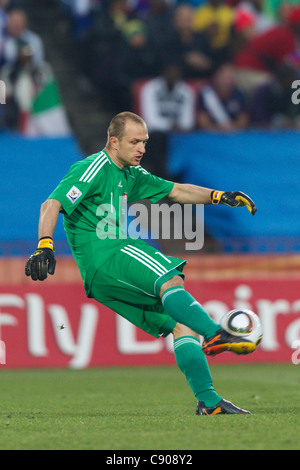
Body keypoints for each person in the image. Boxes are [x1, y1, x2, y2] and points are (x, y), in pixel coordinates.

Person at [25, 111, 257, 416]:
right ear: (113, 141)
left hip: (101, 278)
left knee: (181, 324)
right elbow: (52, 203)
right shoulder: (93, 167)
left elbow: (176, 191)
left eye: (144, 142)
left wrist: (220, 196)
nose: (142, 148)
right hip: (109, 254)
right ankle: (216, 332)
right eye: (134, 142)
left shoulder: (132, 175)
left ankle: (209, 402)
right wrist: (45, 245)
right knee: (170, 279)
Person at [197, 62, 249, 131]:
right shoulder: (207, 94)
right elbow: (202, 119)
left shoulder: (239, 94)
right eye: (225, 74)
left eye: (231, 74)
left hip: (234, 134)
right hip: (211, 135)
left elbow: (243, 119)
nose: (229, 76)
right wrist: (217, 128)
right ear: (216, 76)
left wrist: (233, 127)